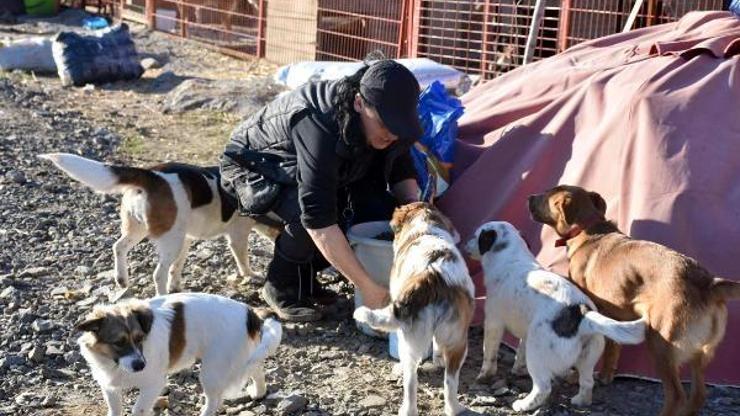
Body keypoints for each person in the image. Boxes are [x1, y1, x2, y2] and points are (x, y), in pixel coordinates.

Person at [220, 60, 423, 322]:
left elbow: (399, 164)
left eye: (398, 127)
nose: (391, 134)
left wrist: (414, 208)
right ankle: (280, 285)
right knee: (310, 214)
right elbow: (317, 216)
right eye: (384, 124)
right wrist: (368, 288)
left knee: (377, 209)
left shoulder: (389, 121)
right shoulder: (319, 123)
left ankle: (305, 279)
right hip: (254, 167)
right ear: (359, 103)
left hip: (306, 168)